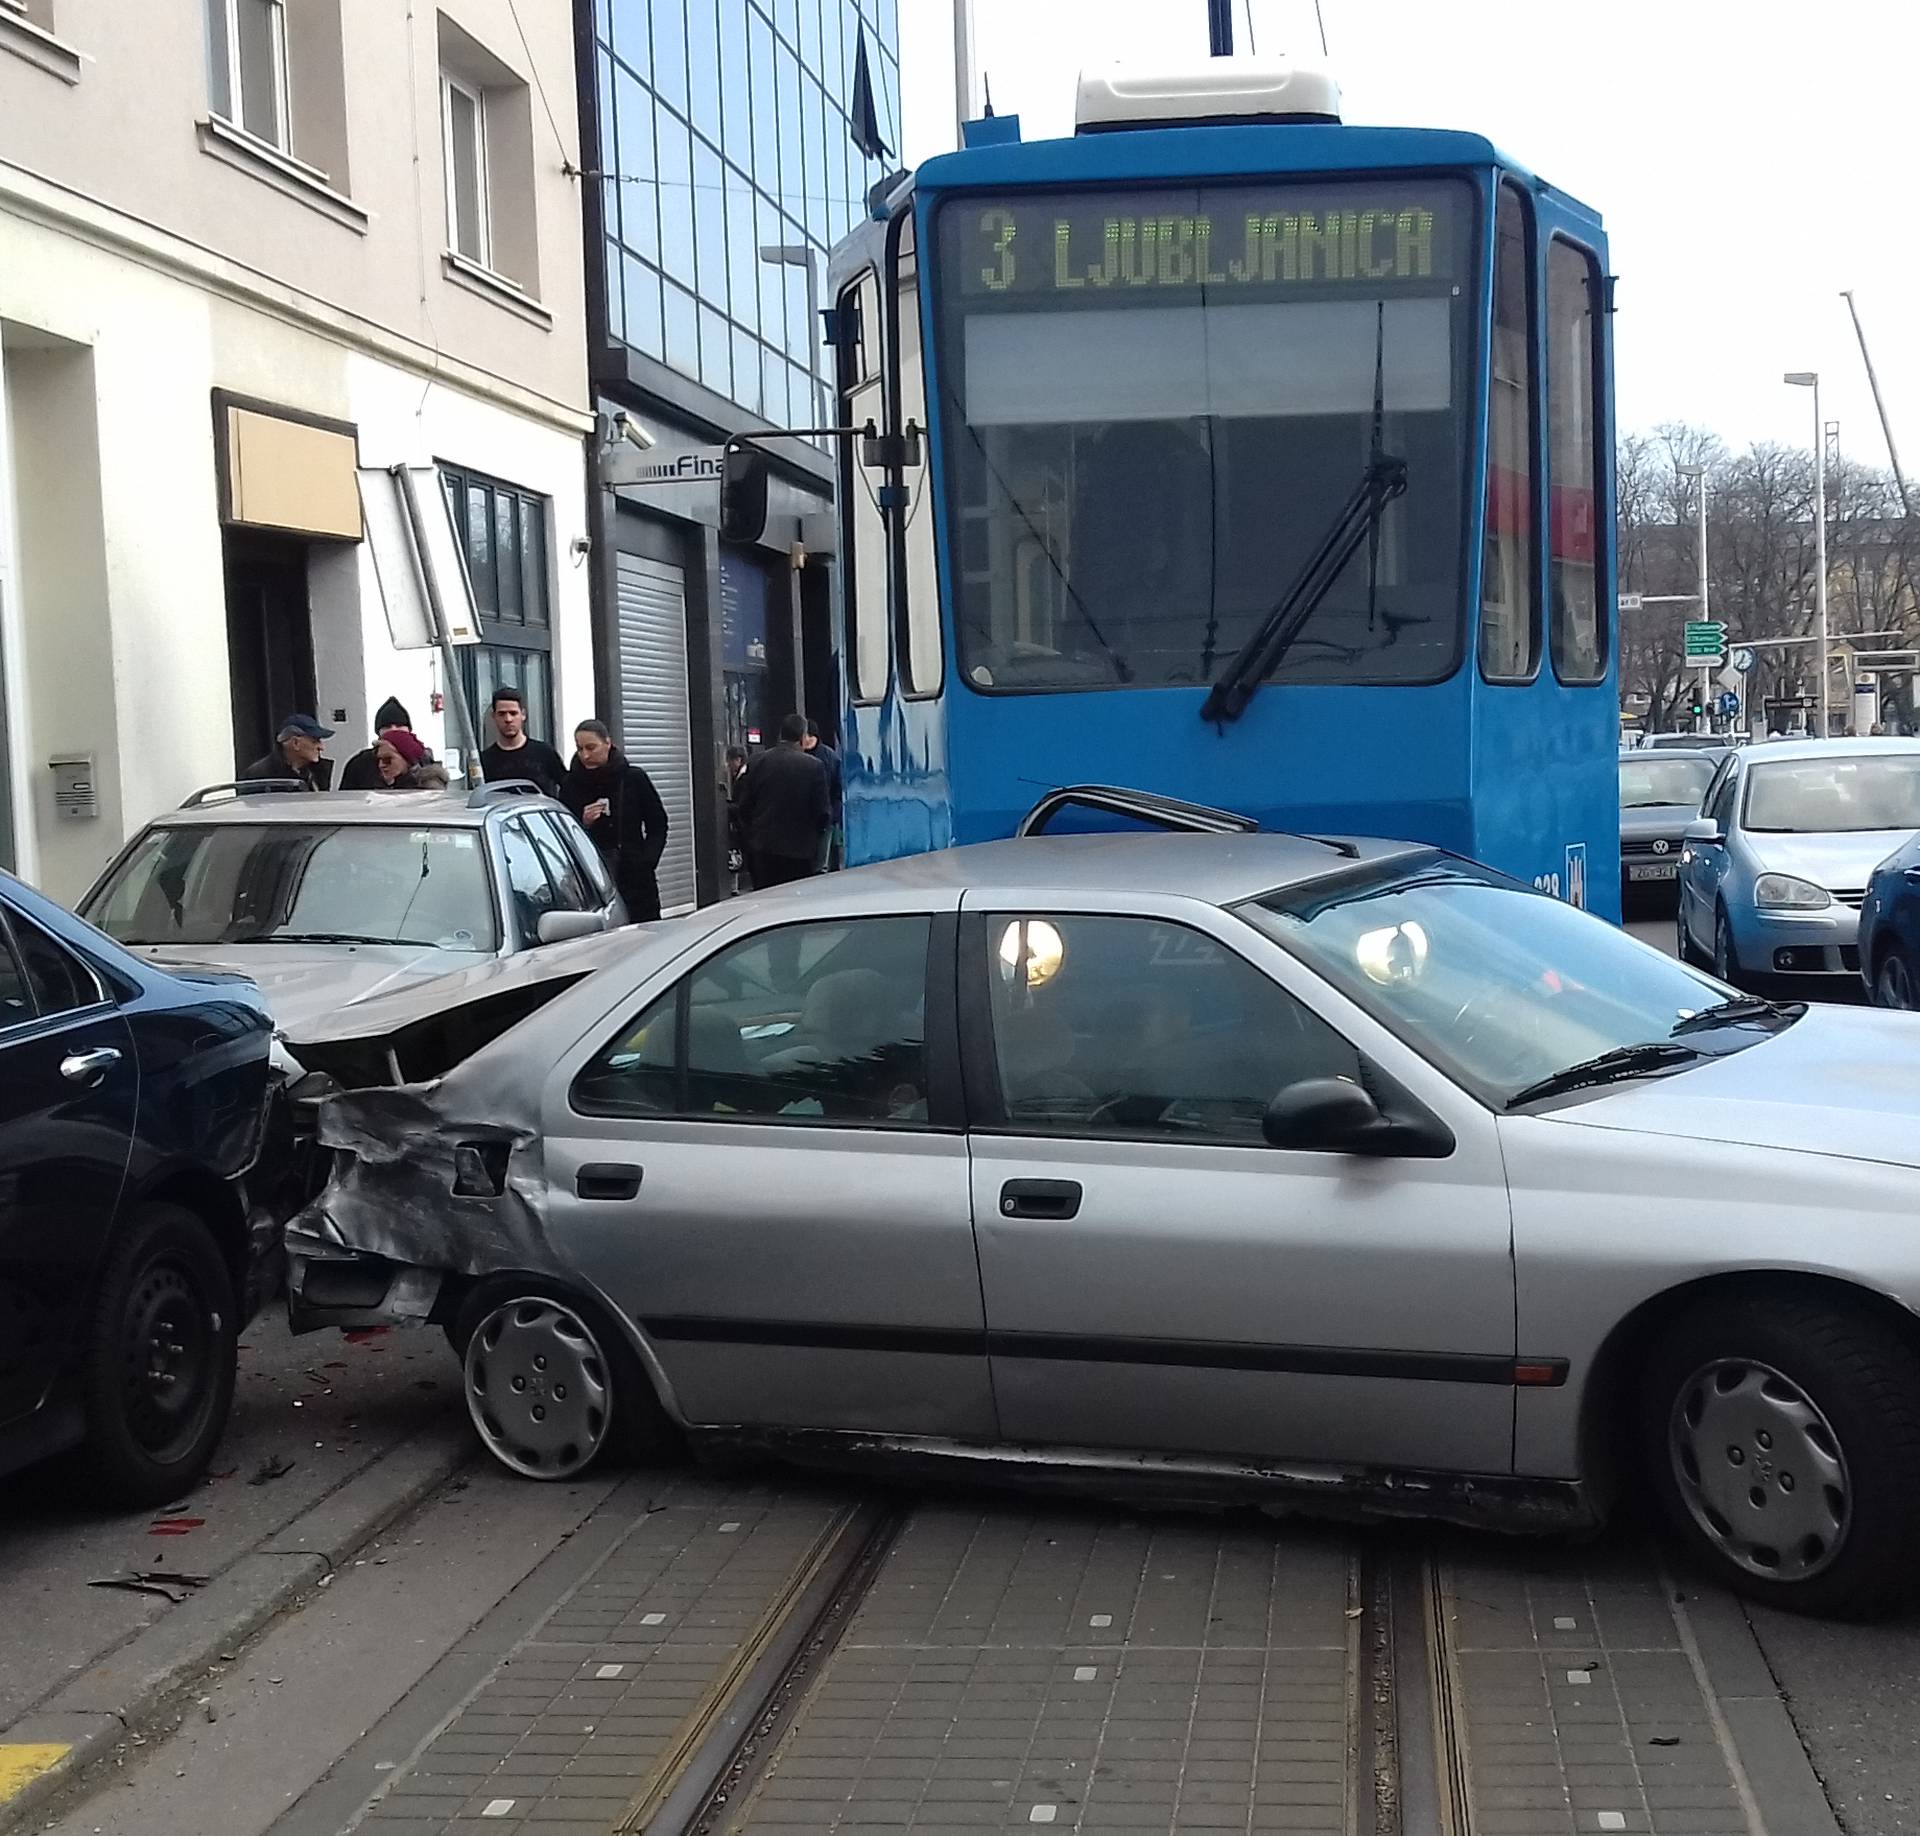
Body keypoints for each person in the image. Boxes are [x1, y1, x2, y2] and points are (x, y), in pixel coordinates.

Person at [564, 719, 670, 922]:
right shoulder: (572, 783)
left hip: (635, 879)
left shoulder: (633, 778)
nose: (585, 755)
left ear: (608, 743)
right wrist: (582, 822)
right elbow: (564, 833)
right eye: (579, 749)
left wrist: (646, 862)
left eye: (591, 747)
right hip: (593, 880)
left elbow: (658, 824)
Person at [735, 714, 828, 889]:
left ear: (780, 735)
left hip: (763, 851)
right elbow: (822, 813)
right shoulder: (814, 767)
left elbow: (744, 806)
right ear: (802, 738)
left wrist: (752, 836)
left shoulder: (756, 762)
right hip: (800, 854)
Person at [480, 686, 567, 799]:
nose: (508, 719)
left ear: (523, 715)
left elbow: (568, 788)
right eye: (502, 714)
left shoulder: (544, 753)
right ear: (494, 716)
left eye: (513, 713)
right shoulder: (485, 760)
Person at [242, 715, 334, 791]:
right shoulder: (259, 775)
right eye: (314, 741)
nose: (321, 747)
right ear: (295, 743)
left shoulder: (318, 772)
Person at [801, 720, 844, 870]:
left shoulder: (829, 758)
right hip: (809, 816)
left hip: (825, 816)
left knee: (821, 860)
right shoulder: (829, 756)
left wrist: (833, 814)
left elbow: (838, 789)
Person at [723, 746, 750, 895]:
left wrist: (726, 807)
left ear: (738, 760)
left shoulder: (744, 778)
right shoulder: (737, 776)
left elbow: (742, 804)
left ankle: (735, 886)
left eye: (730, 760)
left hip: (743, 824)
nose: (727, 764)